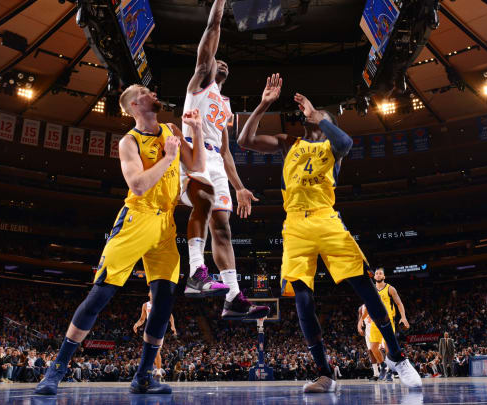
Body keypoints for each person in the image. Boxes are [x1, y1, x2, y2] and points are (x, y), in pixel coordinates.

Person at [238, 74, 422, 392]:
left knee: (366, 289)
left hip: (327, 220)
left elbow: (346, 143)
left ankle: (397, 356)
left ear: (326, 122)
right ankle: (325, 374)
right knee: (303, 303)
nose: (307, 116)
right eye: (309, 115)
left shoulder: (332, 146)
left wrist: (320, 117)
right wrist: (263, 104)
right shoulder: (287, 143)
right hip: (295, 226)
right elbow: (244, 140)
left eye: (318, 116)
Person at [35, 85, 207, 396]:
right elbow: (138, 185)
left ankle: (143, 376)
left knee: (164, 302)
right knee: (99, 295)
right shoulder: (129, 142)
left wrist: (196, 131)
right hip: (135, 219)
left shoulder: (170, 128)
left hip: (166, 223)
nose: (152, 91)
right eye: (144, 91)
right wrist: (169, 157)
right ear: (133, 105)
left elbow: (196, 166)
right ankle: (56, 370)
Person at [180, 0, 269, 320]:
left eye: (228, 64)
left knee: (223, 228)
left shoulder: (225, 106)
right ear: (209, 63)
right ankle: (195, 271)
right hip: (194, 151)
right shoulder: (199, 83)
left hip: (216, 160)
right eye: (220, 60)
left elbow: (227, 152)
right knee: (202, 199)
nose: (224, 63)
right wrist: (220, 4)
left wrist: (241, 187)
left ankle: (232, 297)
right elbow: (212, 29)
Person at [362, 268, 410, 381]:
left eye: (380, 273)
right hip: (375, 322)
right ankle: (383, 365)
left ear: (384, 276)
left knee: (389, 349)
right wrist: (361, 320)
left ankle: (390, 371)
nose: (378, 275)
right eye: (377, 273)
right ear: (374, 277)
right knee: (373, 348)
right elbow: (368, 307)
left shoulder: (390, 288)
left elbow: (399, 303)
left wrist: (403, 317)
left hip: (387, 322)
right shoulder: (371, 289)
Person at [134, 290, 177, 381]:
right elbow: (142, 319)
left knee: (156, 350)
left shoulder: (161, 303)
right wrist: (136, 324)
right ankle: (149, 371)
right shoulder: (145, 305)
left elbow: (170, 315)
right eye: (151, 291)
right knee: (149, 352)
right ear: (148, 294)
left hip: (159, 329)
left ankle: (158, 371)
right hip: (149, 330)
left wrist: (173, 326)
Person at [357, 305, 380, 380]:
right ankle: (376, 374)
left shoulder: (375, 302)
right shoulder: (361, 308)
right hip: (368, 330)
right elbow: (360, 319)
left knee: (380, 350)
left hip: (376, 327)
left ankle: (387, 371)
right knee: (370, 351)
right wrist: (359, 327)